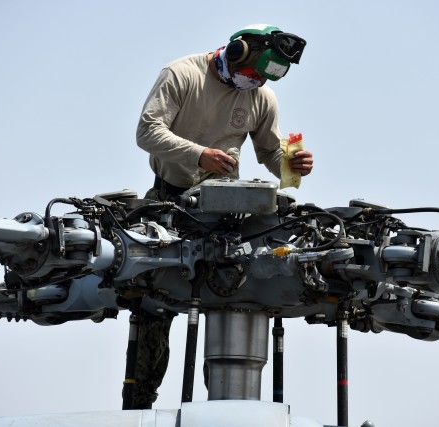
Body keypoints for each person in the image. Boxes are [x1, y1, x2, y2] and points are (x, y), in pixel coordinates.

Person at [129, 24, 313, 409]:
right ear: (236, 51)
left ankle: (223, 410)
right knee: (152, 303)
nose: (257, 82)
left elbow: (270, 154)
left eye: (264, 78)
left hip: (225, 214)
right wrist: (198, 155)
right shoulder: (182, 74)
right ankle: (139, 405)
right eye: (254, 73)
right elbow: (147, 131)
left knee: (229, 298)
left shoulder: (263, 97)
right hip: (169, 204)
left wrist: (291, 166)